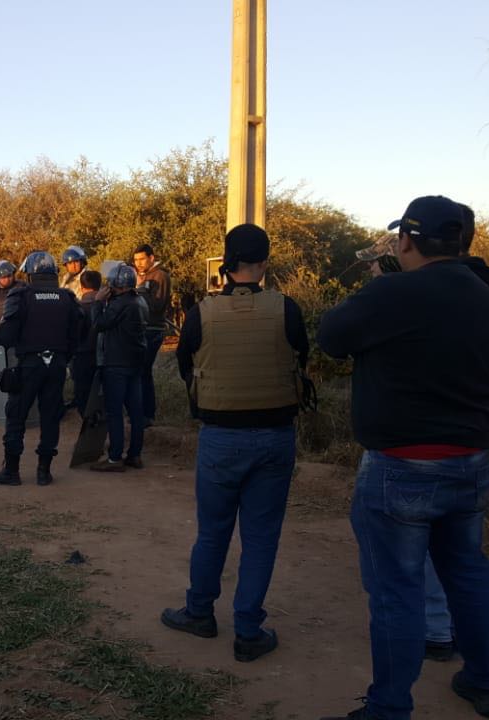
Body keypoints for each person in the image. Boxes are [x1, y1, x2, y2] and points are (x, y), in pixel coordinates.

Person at [318, 196, 489, 720]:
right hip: (470, 460)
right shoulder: (482, 292)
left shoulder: (395, 291)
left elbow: (332, 337)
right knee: (468, 574)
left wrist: (378, 285)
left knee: (396, 590)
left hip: (403, 466)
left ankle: (388, 707)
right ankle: (487, 682)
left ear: (406, 239)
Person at [160, 224, 308, 664]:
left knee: (213, 533)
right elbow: (301, 355)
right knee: (261, 539)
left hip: (220, 438)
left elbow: (186, 362)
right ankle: (249, 629)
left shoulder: (202, 312)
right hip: (276, 437)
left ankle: (199, 612)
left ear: (226, 263)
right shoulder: (287, 308)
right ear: (264, 263)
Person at [0, 251, 81, 487]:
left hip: (29, 364)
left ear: (29, 274)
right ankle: (43, 472)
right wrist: (62, 356)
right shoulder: (67, 297)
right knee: (50, 417)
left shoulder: (20, 295)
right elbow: (80, 331)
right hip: (57, 365)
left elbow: (6, 335)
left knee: (17, 415)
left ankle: (11, 471)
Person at [89, 264, 148, 472]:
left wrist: (97, 303)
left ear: (116, 284)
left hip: (116, 363)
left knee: (115, 412)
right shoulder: (140, 300)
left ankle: (115, 458)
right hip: (135, 363)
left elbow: (99, 324)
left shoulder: (120, 304)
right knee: (136, 411)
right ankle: (135, 454)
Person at [132, 243, 173, 426]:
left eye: (142, 259)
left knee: (143, 371)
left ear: (151, 257)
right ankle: (142, 413)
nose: (138, 263)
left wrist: (139, 291)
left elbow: (157, 306)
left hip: (153, 329)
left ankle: (147, 414)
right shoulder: (142, 277)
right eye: (135, 260)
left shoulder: (160, 276)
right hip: (142, 329)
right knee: (141, 371)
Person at [71, 270, 103, 417]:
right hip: (104, 356)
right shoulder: (107, 306)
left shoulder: (77, 308)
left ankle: (87, 421)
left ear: (82, 287)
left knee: (82, 392)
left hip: (81, 355)